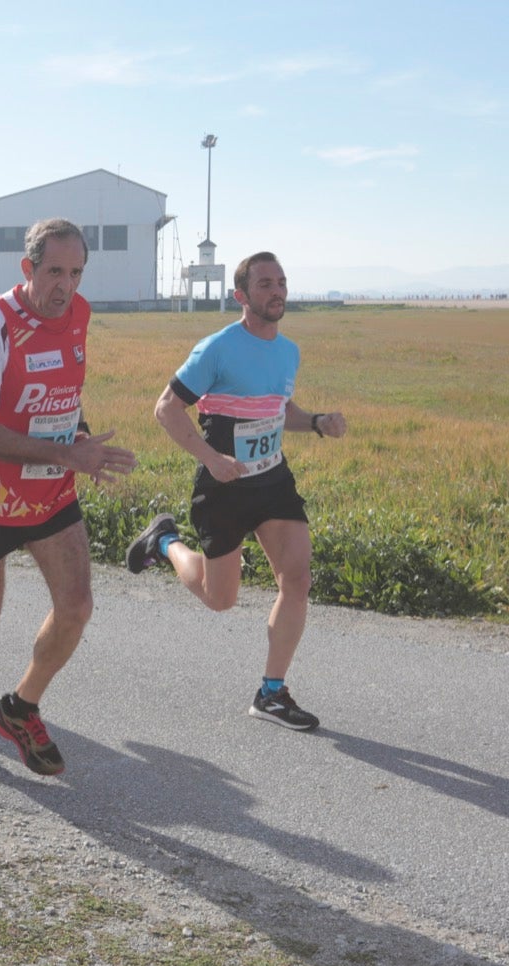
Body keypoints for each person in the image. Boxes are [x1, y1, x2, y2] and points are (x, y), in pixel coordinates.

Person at [0, 218, 137, 776]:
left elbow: (60, 394)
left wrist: (77, 440)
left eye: (75, 273)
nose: (65, 286)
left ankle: (19, 707)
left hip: (52, 491)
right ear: (28, 269)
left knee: (76, 607)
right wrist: (70, 453)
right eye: (54, 272)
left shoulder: (80, 315)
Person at [125, 251, 347, 731]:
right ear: (241, 296)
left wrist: (316, 422)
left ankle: (272, 692)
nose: (277, 291)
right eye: (265, 283)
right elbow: (166, 409)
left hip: (272, 481)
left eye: (282, 281)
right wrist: (211, 458)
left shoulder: (288, 351)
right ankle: (164, 540)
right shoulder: (217, 348)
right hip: (223, 488)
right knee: (219, 598)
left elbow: (278, 409)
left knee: (298, 579)